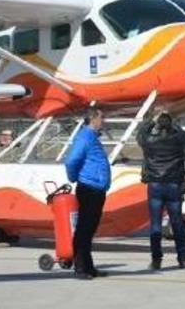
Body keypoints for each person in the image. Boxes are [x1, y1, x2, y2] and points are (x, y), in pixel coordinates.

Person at [137, 111, 185, 270]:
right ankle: (182, 258)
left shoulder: (150, 142)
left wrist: (152, 122)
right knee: (177, 223)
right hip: (173, 185)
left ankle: (156, 259)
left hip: (155, 185)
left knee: (155, 224)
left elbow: (140, 135)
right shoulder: (176, 141)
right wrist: (173, 123)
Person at [64, 106, 111, 280]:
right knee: (84, 229)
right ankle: (80, 268)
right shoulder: (85, 137)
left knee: (89, 230)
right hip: (89, 188)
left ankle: (89, 267)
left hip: (96, 189)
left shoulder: (92, 137)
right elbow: (71, 161)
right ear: (93, 119)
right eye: (101, 117)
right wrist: (75, 177)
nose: (103, 121)